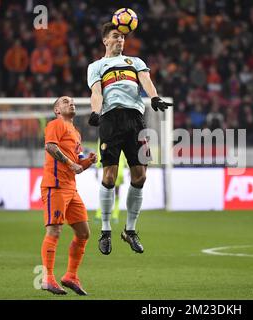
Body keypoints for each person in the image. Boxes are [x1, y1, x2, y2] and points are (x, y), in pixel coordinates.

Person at [87, 22, 172, 255]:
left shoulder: (135, 62)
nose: (120, 40)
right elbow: (96, 91)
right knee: (110, 175)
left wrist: (154, 98)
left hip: (136, 120)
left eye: (123, 37)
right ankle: (105, 231)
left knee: (141, 175)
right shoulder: (96, 66)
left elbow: (145, 81)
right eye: (115, 36)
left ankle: (130, 230)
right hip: (111, 120)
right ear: (105, 40)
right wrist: (96, 112)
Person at [40, 96, 97, 295]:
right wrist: (71, 164)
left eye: (72, 101)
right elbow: (50, 147)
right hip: (54, 186)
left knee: (84, 233)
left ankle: (70, 276)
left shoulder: (76, 133)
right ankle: (47, 278)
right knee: (54, 231)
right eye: (64, 102)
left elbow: (77, 163)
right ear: (57, 109)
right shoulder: (56, 124)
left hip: (71, 189)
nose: (70, 103)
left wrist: (88, 161)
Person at [94, 140, 127, 224]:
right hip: (114, 167)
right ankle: (107, 215)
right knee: (111, 192)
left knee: (109, 191)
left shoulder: (105, 133)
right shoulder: (120, 133)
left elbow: (100, 149)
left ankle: (106, 214)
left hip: (114, 168)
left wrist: (97, 167)